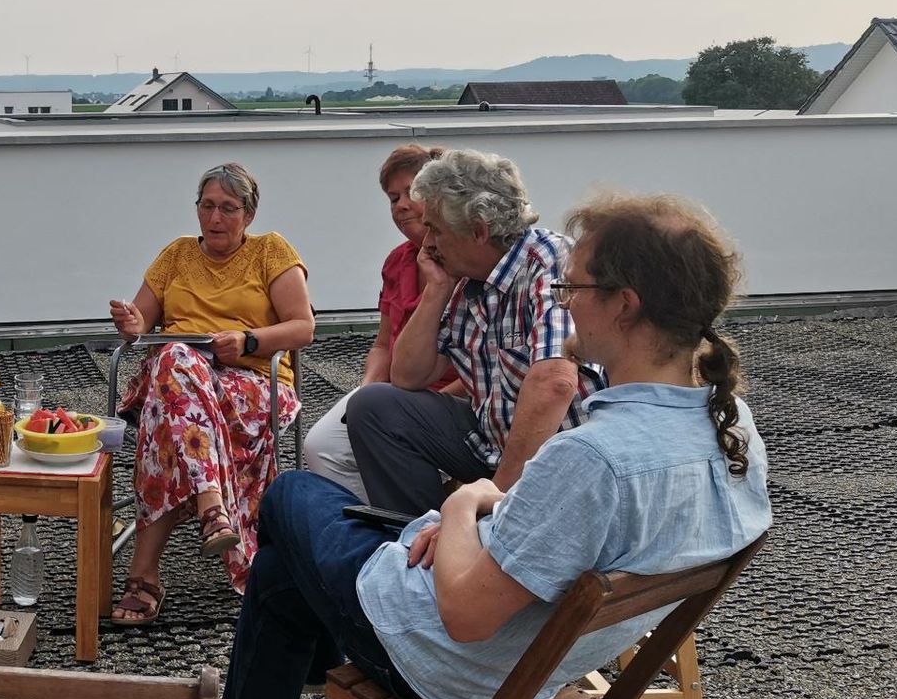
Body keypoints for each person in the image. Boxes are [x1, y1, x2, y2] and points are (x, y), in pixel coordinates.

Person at [218, 192, 771, 699]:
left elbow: (466, 615)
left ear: (626, 304)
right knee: (283, 576)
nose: (564, 298)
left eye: (575, 285)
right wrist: (484, 517)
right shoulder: (731, 431)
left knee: (289, 495)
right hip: (537, 664)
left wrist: (462, 504)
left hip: (452, 668)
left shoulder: (596, 459)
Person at [107, 162, 315, 623]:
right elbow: (140, 326)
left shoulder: (271, 252)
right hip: (178, 382)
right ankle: (212, 507)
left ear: (249, 214)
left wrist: (248, 340)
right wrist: (130, 323)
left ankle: (145, 574)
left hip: (251, 384)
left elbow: (303, 328)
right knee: (176, 363)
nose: (215, 218)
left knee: (166, 421)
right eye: (207, 206)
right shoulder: (177, 255)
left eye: (227, 208)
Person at [344, 147, 597, 518]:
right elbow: (408, 376)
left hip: (559, 453)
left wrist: (496, 496)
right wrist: (436, 290)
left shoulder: (549, 261)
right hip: (490, 441)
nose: (427, 243)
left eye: (435, 229)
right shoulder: (466, 279)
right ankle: (412, 538)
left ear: (478, 230)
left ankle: (457, 545)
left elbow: (555, 383)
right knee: (374, 406)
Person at [301, 144, 456, 498]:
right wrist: (366, 389)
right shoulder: (396, 262)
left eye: (411, 193)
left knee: (390, 441)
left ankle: (409, 526)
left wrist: (412, 409)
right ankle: (371, 529)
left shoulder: (464, 262)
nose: (401, 205)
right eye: (392, 197)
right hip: (393, 392)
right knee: (320, 445)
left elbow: (480, 370)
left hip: (451, 400)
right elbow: (383, 344)